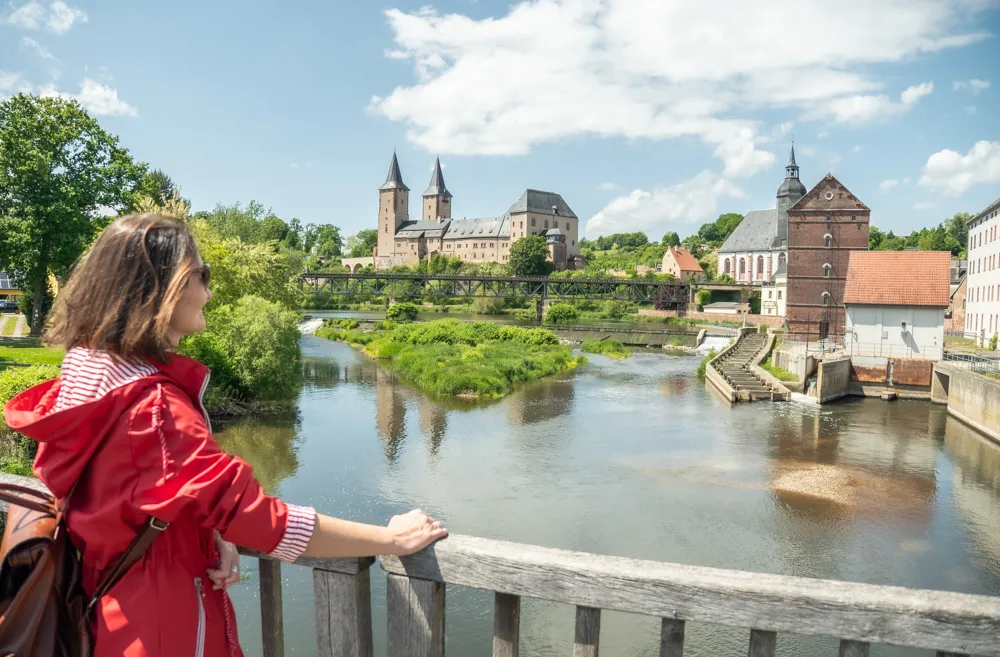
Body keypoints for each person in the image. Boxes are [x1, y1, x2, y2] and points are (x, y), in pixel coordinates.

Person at [2, 214, 448, 657]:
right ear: (165, 285)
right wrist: (391, 540)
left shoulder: (90, 379)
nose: (209, 292)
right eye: (202, 274)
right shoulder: (153, 410)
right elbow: (260, 518)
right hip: (165, 627)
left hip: (112, 612)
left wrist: (208, 527)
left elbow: (129, 497)